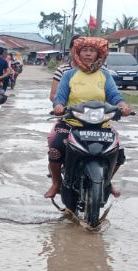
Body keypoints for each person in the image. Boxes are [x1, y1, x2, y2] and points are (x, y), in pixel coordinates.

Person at [46, 37, 131, 199]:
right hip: (72, 123)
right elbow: (60, 96)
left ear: (98, 54)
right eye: (84, 50)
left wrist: (123, 106)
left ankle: (107, 181)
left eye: (92, 51)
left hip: (100, 124)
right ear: (77, 53)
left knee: (118, 152)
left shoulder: (105, 75)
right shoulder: (69, 75)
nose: (88, 54)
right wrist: (58, 106)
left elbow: (114, 95)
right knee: (56, 147)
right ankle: (56, 183)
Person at [49, 35, 81, 102]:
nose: (78, 51)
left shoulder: (99, 72)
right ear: (70, 49)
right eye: (76, 48)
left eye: (82, 48)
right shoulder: (62, 71)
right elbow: (53, 96)